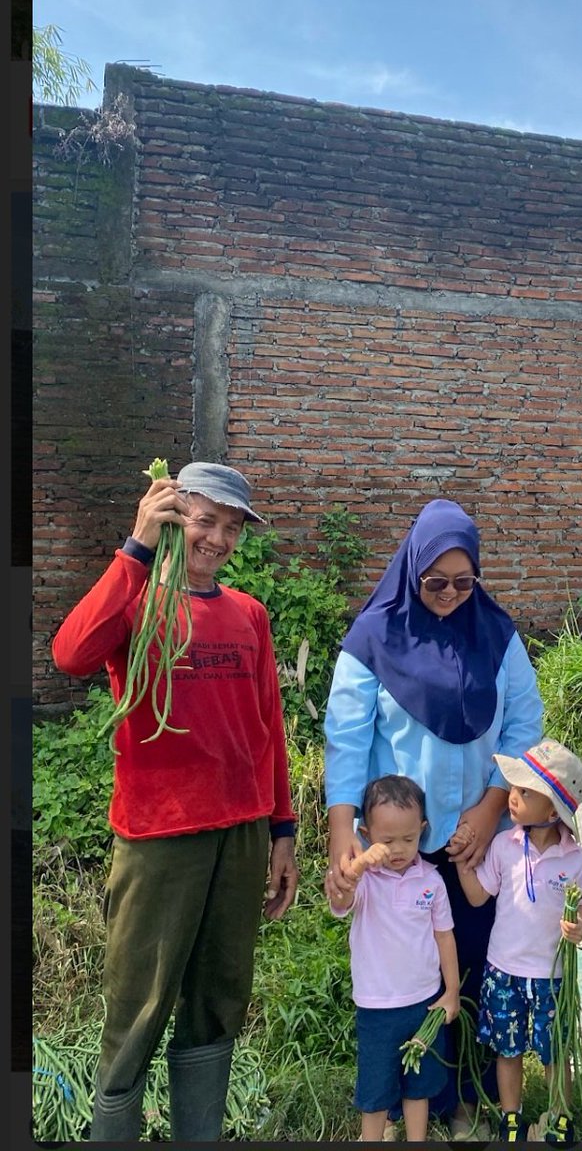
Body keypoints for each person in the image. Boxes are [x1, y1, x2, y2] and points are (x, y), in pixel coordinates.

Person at [51, 462, 299, 1143]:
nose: (218, 538)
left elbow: (267, 730)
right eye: (204, 520)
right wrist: (133, 550)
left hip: (241, 836)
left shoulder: (247, 614)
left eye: (231, 527)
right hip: (160, 838)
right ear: (171, 516)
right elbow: (71, 653)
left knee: (219, 1000)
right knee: (137, 1004)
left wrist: (283, 832)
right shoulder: (136, 602)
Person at [323, 497, 544, 1141]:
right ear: (411, 569)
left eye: (463, 581)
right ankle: (405, 1102)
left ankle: (471, 1093)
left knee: (477, 966)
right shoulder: (373, 637)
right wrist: (344, 831)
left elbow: (525, 725)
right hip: (399, 850)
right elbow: (346, 737)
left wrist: (491, 805)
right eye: (434, 581)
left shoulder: (498, 637)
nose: (449, 593)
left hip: (480, 843)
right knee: (407, 978)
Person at [454, 739, 582, 1146]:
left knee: (556, 1052)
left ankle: (559, 1117)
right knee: (508, 1049)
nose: (512, 799)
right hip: (504, 970)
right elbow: (480, 895)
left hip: (551, 975)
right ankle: (511, 1117)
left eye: (524, 793)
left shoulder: (575, 860)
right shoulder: (504, 846)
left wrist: (580, 925)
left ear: (553, 811)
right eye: (513, 789)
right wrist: (464, 863)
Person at [329, 774, 461, 1143]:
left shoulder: (432, 882)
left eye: (409, 838)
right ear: (368, 835)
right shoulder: (366, 882)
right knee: (375, 1090)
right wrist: (357, 865)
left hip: (423, 1003)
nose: (399, 849)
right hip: (377, 1007)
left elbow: (444, 937)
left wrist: (451, 991)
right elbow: (340, 901)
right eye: (388, 840)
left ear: (423, 830)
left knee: (418, 1086)